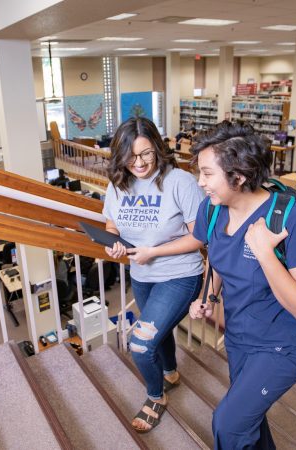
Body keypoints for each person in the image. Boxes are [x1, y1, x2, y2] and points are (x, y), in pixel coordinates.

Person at [186, 122, 296, 449]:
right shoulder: (212, 209)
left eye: (207, 174)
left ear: (240, 175)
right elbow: (217, 258)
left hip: (284, 345)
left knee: (228, 425)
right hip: (240, 336)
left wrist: (264, 252)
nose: (200, 182)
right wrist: (209, 294)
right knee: (249, 421)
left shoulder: (289, 217)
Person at [102, 116, 205, 433]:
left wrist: (153, 251)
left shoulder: (180, 182)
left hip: (180, 276)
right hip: (142, 276)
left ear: (158, 148)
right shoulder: (118, 185)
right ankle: (171, 372)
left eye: (146, 153)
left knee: (142, 344)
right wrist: (114, 245)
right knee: (157, 335)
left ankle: (156, 397)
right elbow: (111, 225)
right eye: (131, 156)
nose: (139, 162)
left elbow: (200, 237)